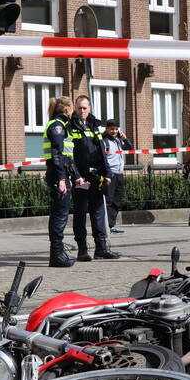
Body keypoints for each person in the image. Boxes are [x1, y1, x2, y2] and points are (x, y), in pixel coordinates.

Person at [69, 95, 121, 261]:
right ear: (75, 108)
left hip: (96, 176)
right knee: (80, 214)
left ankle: (101, 248)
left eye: (85, 108)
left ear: (89, 108)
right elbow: (69, 155)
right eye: (79, 108)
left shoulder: (94, 125)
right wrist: (76, 175)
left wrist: (107, 173)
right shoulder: (71, 126)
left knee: (98, 213)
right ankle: (82, 250)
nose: (82, 111)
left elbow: (101, 152)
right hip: (81, 178)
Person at [43, 96, 79, 267]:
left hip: (61, 174)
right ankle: (56, 255)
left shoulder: (63, 125)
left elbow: (67, 156)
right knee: (59, 216)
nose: (74, 111)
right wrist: (61, 179)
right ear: (66, 109)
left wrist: (76, 176)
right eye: (72, 107)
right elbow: (57, 154)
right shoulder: (57, 126)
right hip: (58, 175)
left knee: (60, 214)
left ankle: (58, 253)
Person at [102, 118, 133, 234]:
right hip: (111, 174)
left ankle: (111, 225)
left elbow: (129, 148)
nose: (114, 131)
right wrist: (107, 174)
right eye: (112, 129)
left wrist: (125, 138)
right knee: (108, 201)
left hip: (120, 174)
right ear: (107, 129)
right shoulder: (104, 141)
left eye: (116, 129)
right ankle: (104, 226)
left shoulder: (118, 140)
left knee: (116, 201)